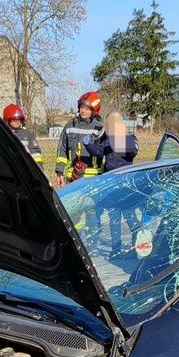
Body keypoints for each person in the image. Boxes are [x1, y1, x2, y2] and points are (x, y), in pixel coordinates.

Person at [82, 112, 141, 256]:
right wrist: (88, 143)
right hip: (112, 184)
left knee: (130, 217)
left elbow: (132, 150)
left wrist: (112, 140)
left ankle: (136, 246)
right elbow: (99, 151)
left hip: (126, 186)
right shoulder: (108, 140)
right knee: (114, 219)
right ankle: (116, 250)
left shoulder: (130, 139)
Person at [54, 91, 104, 187]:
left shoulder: (100, 128)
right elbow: (62, 150)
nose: (83, 111)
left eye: (86, 109)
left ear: (94, 111)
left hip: (94, 179)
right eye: (81, 107)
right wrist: (59, 171)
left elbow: (106, 151)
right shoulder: (69, 126)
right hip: (72, 179)